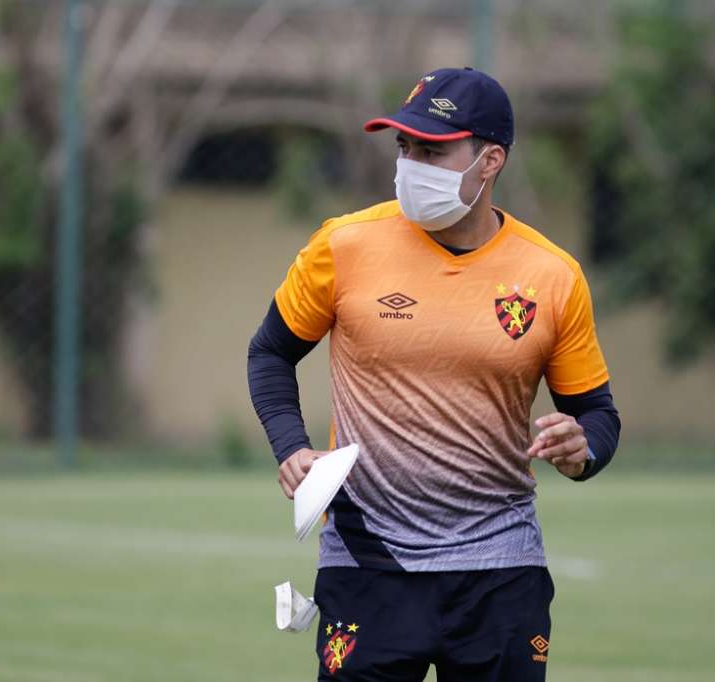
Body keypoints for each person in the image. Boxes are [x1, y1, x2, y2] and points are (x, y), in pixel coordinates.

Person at [248, 67, 620, 682]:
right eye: (405, 147)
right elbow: (269, 352)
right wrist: (291, 446)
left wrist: (583, 450)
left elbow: (597, 415)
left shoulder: (553, 275)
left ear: (490, 160)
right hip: (367, 561)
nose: (410, 166)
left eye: (432, 151)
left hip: (500, 571)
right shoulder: (343, 245)